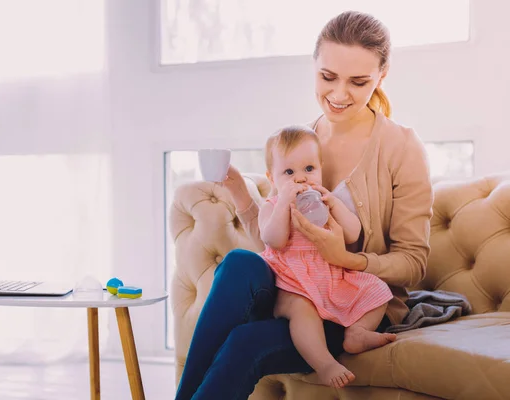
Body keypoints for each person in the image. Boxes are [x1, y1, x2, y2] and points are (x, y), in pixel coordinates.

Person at [175, 10, 433, 400]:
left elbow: (413, 262)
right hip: (294, 290)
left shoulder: (401, 147)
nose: (339, 94)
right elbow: (275, 242)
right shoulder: (301, 141)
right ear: (314, 66)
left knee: (247, 342)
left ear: (382, 76)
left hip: (344, 305)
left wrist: (347, 259)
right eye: (327, 77)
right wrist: (244, 195)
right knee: (240, 263)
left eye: (358, 81)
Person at [259, 125, 395, 388]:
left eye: (309, 169)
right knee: (302, 310)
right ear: (272, 178)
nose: (301, 178)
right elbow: (272, 239)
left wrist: (334, 205)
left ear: (320, 167)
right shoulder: (273, 206)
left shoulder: (323, 201)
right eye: (289, 172)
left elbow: (352, 234)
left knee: (378, 290)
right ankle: (323, 363)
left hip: (328, 276)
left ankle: (358, 332)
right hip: (291, 282)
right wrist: (285, 203)